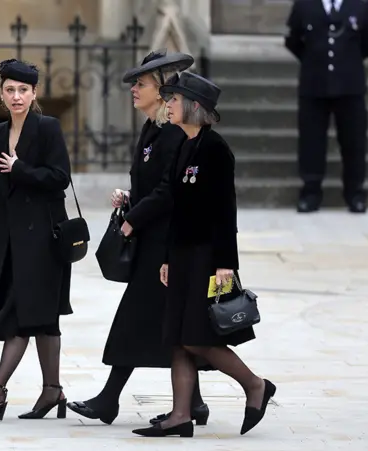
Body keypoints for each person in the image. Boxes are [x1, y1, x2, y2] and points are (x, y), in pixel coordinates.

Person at [66, 49, 210, 427]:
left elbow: (168, 191)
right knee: (170, 325)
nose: (133, 89)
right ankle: (194, 402)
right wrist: (130, 198)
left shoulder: (172, 132)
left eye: (141, 84)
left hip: (166, 243)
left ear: (161, 91)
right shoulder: (152, 129)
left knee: (137, 319)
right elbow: (152, 185)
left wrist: (131, 221)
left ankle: (109, 400)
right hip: (154, 239)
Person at [132, 72, 276, 438]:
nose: (171, 105)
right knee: (178, 338)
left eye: (176, 100)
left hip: (207, 256)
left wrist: (227, 263)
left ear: (195, 107)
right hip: (180, 253)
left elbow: (225, 211)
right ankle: (180, 414)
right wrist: (166, 256)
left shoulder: (215, 149)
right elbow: (177, 208)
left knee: (198, 337)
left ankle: (255, 384)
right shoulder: (183, 144)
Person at [0, 59, 73, 421]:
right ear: (2, 94)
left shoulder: (47, 128)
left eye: (23, 90)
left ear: (34, 94)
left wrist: (21, 169)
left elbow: (60, 177)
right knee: (42, 318)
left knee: (22, 314)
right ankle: (52, 392)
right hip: (8, 240)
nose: (16, 97)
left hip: (44, 240)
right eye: (10, 90)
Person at [284, 0, 368, 213]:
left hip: (350, 86)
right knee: (311, 141)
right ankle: (310, 193)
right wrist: (313, 60)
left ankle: (355, 194)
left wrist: (348, 62)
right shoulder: (304, 5)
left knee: (354, 142)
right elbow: (293, 41)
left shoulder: (361, 5)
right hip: (313, 85)